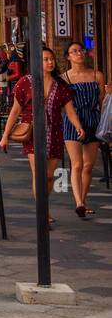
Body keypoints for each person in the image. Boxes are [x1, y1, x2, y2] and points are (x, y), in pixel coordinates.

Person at [1, 46, 81, 227]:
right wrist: (5, 135)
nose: (50, 62)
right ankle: (43, 212)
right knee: (39, 174)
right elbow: (15, 111)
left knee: (50, 176)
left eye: (51, 59)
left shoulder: (61, 85)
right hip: (33, 134)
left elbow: (70, 111)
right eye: (45, 59)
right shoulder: (25, 83)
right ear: (37, 62)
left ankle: (43, 207)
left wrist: (78, 127)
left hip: (55, 133)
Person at [60, 41, 106, 219]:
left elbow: (102, 101)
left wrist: (104, 124)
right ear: (68, 56)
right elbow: (63, 104)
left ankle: (84, 201)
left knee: (88, 165)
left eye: (81, 50)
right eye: (74, 51)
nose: (79, 53)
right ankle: (78, 202)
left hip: (93, 120)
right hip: (73, 120)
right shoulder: (64, 78)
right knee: (77, 164)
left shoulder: (97, 75)